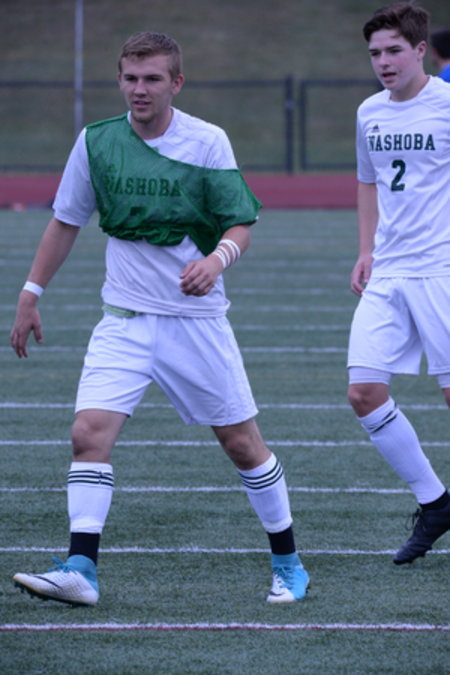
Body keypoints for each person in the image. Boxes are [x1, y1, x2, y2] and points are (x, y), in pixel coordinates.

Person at [10, 32, 309, 606]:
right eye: (130, 78)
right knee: (87, 434)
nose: (139, 89)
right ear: (119, 80)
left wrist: (217, 261)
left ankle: (289, 563)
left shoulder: (207, 141)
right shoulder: (96, 141)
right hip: (123, 319)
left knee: (242, 445)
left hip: (194, 322)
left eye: (152, 78)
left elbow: (240, 222)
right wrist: (31, 292)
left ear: (177, 82)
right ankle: (81, 569)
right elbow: (65, 220)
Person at [347, 3, 450, 566]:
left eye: (393, 51)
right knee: (364, 392)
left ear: (420, 50)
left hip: (442, 270)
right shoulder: (369, 112)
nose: (383, 62)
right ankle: (435, 502)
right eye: (374, 53)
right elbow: (368, 182)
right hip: (388, 272)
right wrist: (366, 250)